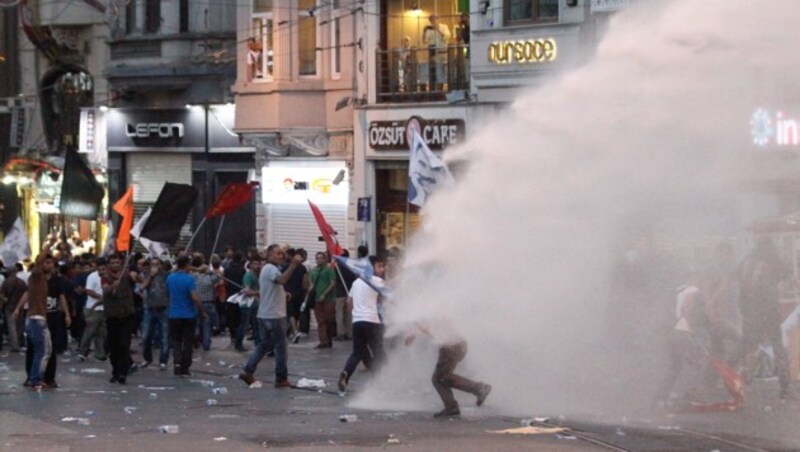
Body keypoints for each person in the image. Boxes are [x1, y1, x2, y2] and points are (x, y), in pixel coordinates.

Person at [239, 244, 304, 388]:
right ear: (269, 255)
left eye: (282, 253)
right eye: (277, 253)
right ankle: (281, 379)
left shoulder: (268, 270)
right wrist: (293, 265)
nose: (281, 256)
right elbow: (282, 280)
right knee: (281, 347)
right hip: (274, 315)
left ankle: (248, 370)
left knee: (264, 344)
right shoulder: (270, 269)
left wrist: (282, 294)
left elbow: (269, 289)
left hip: (266, 313)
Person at [12, 239, 71, 390]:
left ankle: (41, 378)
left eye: (50, 263)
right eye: (45, 262)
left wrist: (67, 314)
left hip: (43, 319)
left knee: (46, 350)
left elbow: (61, 296)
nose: (47, 265)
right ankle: (35, 379)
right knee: (41, 350)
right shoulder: (37, 276)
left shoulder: (50, 280)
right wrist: (49, 245)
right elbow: (39, 261)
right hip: (37, 319)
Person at [738, 237, 792, 399]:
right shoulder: (774, 261)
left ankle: (743, 378)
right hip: (769, 311)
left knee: (749, 345)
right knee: (777, 345)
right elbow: (787, 277)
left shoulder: (748, 261)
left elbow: (740, 283)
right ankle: (784, 382)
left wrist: (743, 309)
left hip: (751, 312)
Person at [404, 321, 491, 418]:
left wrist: (424, 328)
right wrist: (414, 333)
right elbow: (408, 341)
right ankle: (453, 407)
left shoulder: (430, 314)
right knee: (440, 378)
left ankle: (478, 389)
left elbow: (437, 325)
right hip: (454, 346)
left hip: (452, 346)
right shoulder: (416, 318)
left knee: (440, 378)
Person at [337, 256, 386, 394]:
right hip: (372, 321)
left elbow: (349, 302)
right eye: (379, 266)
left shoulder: (356, 282)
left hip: (357, 321)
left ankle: (346, 373)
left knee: (357, 353)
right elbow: (389, 294)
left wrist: (354, 315)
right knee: (379, 354)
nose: (382, 269)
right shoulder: (376, 281)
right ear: (371, 268)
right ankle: (377, 384)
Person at [167, 255, 207, 377]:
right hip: (188, 314)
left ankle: (177, 362)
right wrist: (202, 311)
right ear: (187, 265)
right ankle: (185, 366)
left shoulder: (170, 278)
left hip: (174, 313)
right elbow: (194, 297)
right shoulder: (189, 279)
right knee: (188, 341)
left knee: (176, 340)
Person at [103, 254, 137, 384]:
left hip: (126, 315)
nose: (115, 265)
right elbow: (105, 290)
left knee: (124, 344)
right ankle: (115, 371)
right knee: (113, 346)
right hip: (112, 316)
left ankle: (123, 372)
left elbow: (138, 279)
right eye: (113, 263)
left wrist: (135, 275)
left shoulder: (126, 274)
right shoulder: (105, 277)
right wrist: (113, 286)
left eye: (117, 263)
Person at [140, 257, 170, 369]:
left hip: (164, 308)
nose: (155, 267)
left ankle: (163, 361)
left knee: (164, 336)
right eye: (153, 264)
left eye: (157, 264)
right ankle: (147, 358)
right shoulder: (147, 275)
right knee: (146, 336)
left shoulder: (166, 276)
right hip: (150, 308)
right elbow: (141, 288)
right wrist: (151, 276)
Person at [77, 258, 107, 362]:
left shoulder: (108, 277)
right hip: (93, 308)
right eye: (100, 268)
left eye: (104, 268)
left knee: (101, 332)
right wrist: (100, 297)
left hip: (104, 308)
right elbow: (89, 290)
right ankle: (82, 351)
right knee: (90, 331)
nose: (102, 271)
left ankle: (100, 354)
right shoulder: (92, 277)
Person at [192, 255, 220, 351]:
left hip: (196, 303)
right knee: (207, 325)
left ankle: (195, 336)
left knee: (196, 323)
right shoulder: (209, 279)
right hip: (208, 303)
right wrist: (211, 272)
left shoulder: (195, 277)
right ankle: (206, 344)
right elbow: (218, 276)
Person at [310, 252, 337, 348]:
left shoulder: (329, 269)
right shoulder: (313, 271)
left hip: (329, 300)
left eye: (321, 258)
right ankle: (323, 341)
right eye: (317, 258)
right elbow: (312, 284)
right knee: (320, 321)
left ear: (325, 259)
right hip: (317, 299)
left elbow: (333, 283)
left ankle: (329, 339)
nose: (319, 260)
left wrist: (324, 294)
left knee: (329, 320)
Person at [1, 264, 27, 353]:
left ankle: (14, 344)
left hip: (9, 306)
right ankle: (19, 341)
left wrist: (4, 300)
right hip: (20, 306)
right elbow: (26, 292)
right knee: (19, 325)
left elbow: (2, 295)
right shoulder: (21, 282)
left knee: (11, 325)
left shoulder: (6, 282)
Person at [224, 252, 247, 351]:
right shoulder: (242, 270)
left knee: (231, 317)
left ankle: (233, 336)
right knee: (239, 318)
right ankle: (238, 337)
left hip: (230, 294)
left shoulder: (227, 270)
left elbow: (225, 282)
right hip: (240, 295)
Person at [422, 14, 450, 90]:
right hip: (436, 54)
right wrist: (424, 31)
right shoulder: (429, 30)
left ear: (438, 19)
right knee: (438, 72)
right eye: (431, 20)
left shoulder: (444, 27)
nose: (433, 21)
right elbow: (425, 41)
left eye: (435, 19)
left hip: (444, 52)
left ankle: (447, 88)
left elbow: (446, 36)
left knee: (446, 71)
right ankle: (438, 89)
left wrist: (437, 29)